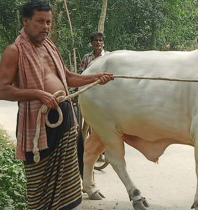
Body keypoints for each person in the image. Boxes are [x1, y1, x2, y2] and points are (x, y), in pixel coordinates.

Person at [0, 1, 114, 209]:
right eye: (40, 21)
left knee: (67, 184)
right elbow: (2, 89)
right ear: (26, 21)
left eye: (49, 22)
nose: (46, 27)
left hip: (65, 118)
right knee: (40, 185)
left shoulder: (50, 46)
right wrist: (37, 94)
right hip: (36, 126)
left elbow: (68, 77)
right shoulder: (14, 51)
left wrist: (96, 77)